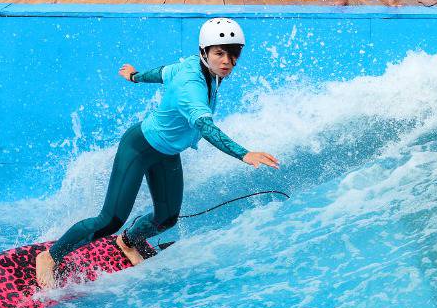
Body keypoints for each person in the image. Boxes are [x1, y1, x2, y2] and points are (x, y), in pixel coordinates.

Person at [35, 18, 280, 289]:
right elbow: (204, 126)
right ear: (204, 52)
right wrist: (243, 154)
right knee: (110, 220)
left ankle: (127, 243)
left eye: (232, 56)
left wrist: (135, 76)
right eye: (219, 54)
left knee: (166, 218)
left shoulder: (196, 66)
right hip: (139, 147)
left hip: (167, 152)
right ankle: (50, 256)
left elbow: (163, 72)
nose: (226, 62)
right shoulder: (192, 86)